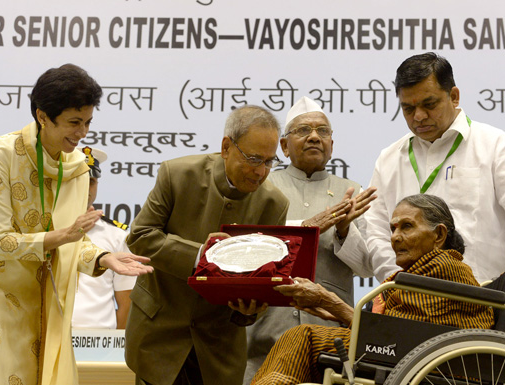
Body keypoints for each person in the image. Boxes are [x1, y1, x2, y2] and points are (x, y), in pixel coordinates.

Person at [0, 64, 153, 385]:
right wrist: (63, 236)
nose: (82, 133)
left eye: (88, 122)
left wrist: (104, 259)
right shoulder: (2, 153)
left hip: (35, 291)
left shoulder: (76, 166)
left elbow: (70, 239)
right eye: (74, 123)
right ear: (42, 116)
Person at [251, 194, 495, 385]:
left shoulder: (445, 267)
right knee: (300, 336)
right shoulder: (422, 272)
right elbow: (397, 329)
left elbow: (397, 338)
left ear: (439, 234)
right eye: (393, 229)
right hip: (407, 353)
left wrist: (331, 302)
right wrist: (337, 313)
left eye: (407, 227)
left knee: (302, 336)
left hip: (422, 361)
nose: (395, 238)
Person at [125, 105, 290, 385]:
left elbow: (262, 279)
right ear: (226, 147)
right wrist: (203, 255)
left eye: (269, 161)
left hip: (219, 349)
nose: (261, 172)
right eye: (252, 159)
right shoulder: (177, 175)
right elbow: (140, 236)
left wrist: (249, 309)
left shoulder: (273, 203)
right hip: (159, 337)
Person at [243, 96, 377, 384]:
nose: (315, 137)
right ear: (284, 146)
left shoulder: (350, 191)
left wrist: (343, 229)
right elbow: (245, 250)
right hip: (265, 329)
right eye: (303, 130)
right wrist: (305, 228)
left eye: (323, 131)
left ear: (332, 144)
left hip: (329, 337)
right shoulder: (261, 187)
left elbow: (367, 267)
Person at [357, 52, 505, 283]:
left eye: (429, 104)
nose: (419, 116)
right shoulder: (389, 159)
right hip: (409, 305)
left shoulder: (496, 147)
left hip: (486, 302)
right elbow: (376, 233)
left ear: (454, 96)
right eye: (407, 109)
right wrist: (400, 282)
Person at [72, 146, 137, 329]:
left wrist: (113, 352)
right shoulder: (42, 231)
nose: (86, 188)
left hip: (98, 348)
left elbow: (126, 304)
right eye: (77, 180)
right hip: (46, 341)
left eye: (91, 181)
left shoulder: (117, 236)